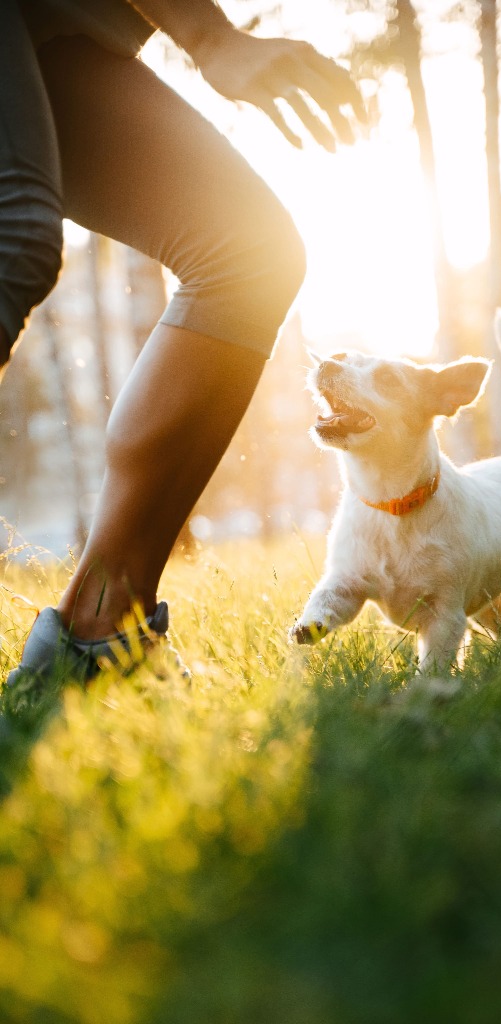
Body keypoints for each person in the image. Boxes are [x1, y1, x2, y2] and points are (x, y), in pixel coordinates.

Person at [2, 0, 366, 685]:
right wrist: (211, 38)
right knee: (14, 233)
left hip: (55, 28)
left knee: (249, 253)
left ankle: (100, 634)